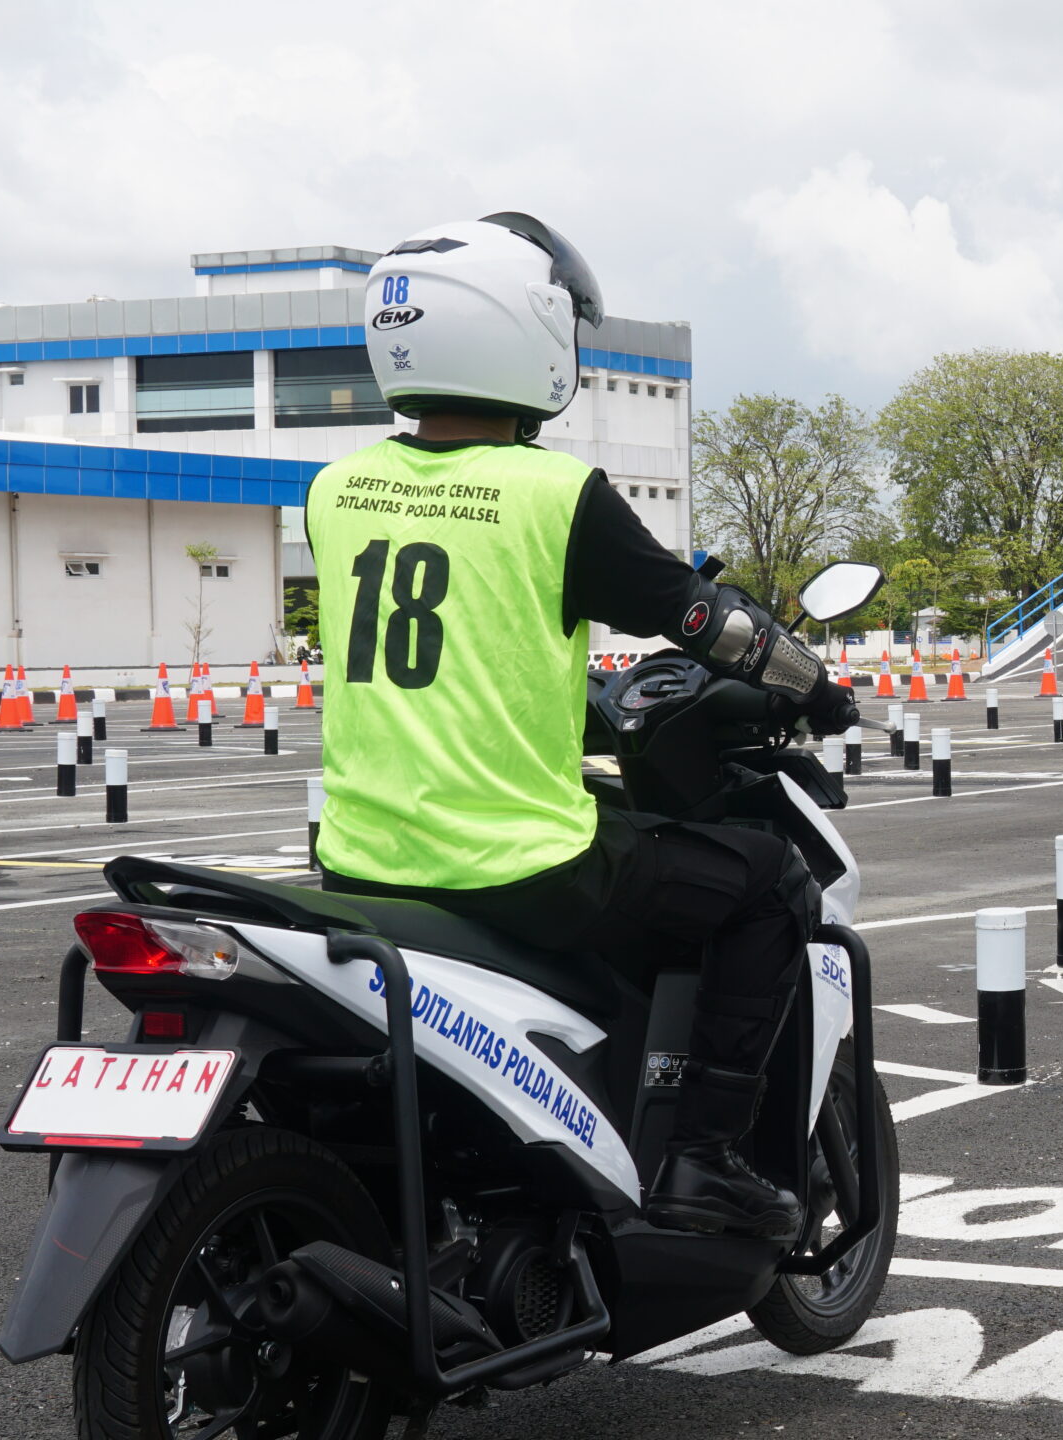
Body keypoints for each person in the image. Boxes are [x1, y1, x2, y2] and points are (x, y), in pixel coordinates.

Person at [303, 213, 860, 1241]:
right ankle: (704, 1159)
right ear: (524, 332)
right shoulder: (555, 496)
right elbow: (706, 622)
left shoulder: (335, 491)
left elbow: (466, 637)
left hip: (358, 856)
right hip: (514, 862)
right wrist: (812, 683)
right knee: (767, 886)